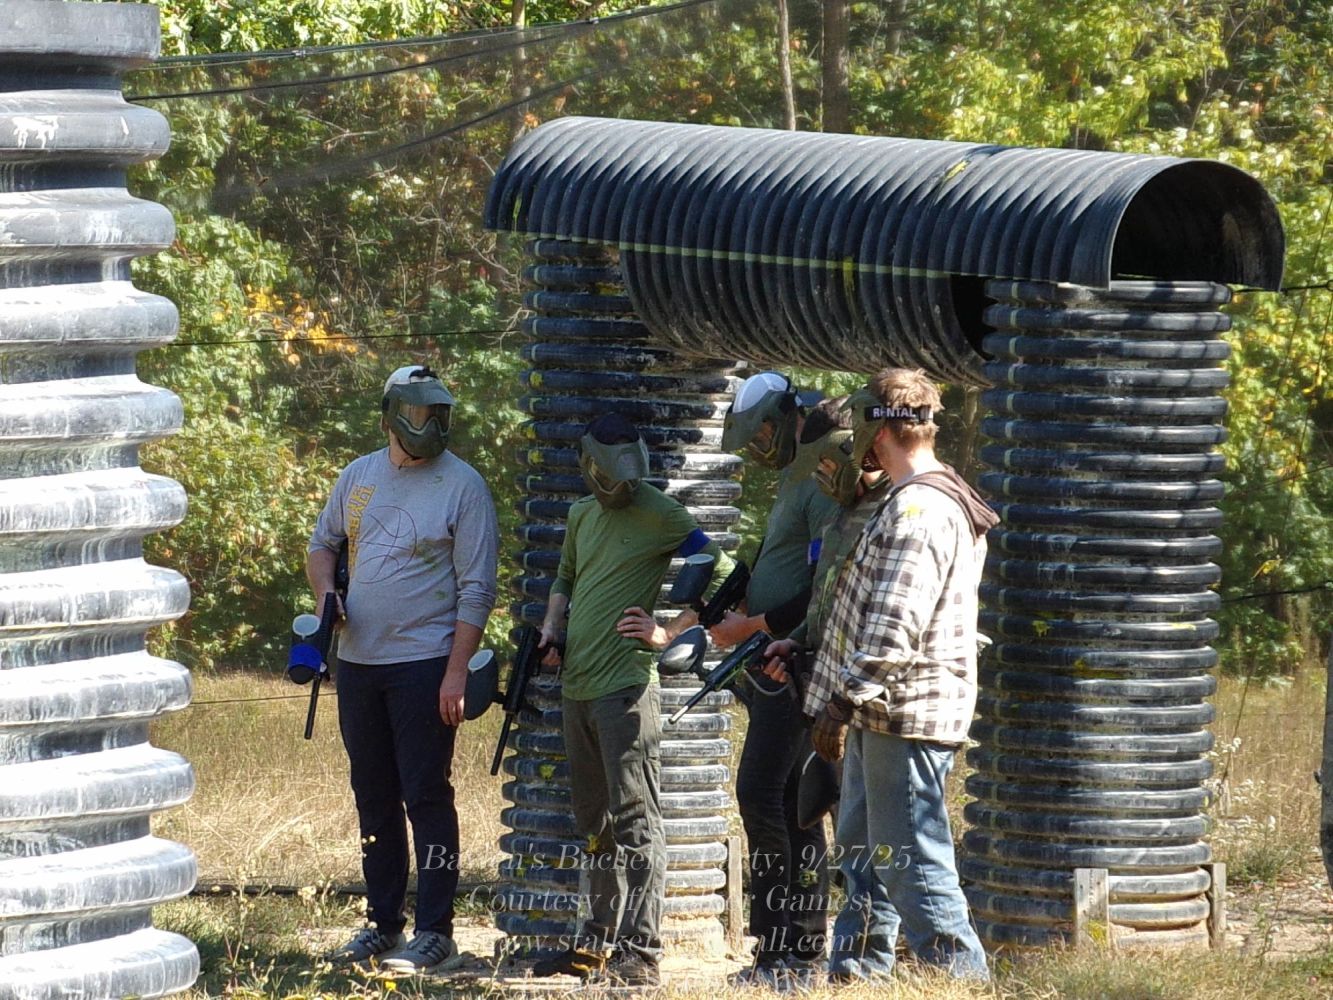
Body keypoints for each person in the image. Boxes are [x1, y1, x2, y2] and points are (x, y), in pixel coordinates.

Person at [803, 368, 996, 982]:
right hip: (885, 709)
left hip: (904, 710)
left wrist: (841, 703)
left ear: (877, 428)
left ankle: (960, 983)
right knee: (865, 856)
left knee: (911, 862)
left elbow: (893, 627)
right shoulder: (920, 497)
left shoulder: (919, 508)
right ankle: (856, 976)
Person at [308, 365, 499, 974]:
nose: (429, 424)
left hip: (425, 664)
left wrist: (455, 671)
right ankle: (382, 923)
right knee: (374, 796)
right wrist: (326, 597)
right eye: (418, 413)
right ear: (391, 414)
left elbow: (477, 588)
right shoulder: (358, 475)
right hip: (358, 663)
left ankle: (435, 931)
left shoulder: (463, 485)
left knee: (426, 795)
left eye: (438, 413)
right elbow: (322, 544)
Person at [533, 412, 735, 988]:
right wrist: (552, 627)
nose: (623, 487)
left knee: (637, 823)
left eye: (630, 476)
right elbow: (565, 578)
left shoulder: (661, 512)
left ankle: (641, 953)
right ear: (592, 468)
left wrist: (669, 632)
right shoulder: (581, 514)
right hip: (578, 688)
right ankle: (596, 945)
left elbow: (722, 570)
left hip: (626, 689)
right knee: (594, 824)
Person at [710, 372, 839, 986]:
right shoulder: (797, 475)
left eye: (763, 430)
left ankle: (783, 949)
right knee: (790, 803)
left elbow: (822, 586)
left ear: (789, 416)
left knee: (765, 795)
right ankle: (794, 950)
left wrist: (756, 624)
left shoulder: (820, 477)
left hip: (796, 662)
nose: (760, 444)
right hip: (775, 661)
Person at [761, 399, 896, 982]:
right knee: (842, 821)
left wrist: (846, 693)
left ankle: (884, 955)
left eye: (830, 463)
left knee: (878, 830)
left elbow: (886, 616)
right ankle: (845, 954)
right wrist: (792, 643)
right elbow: (824, 599)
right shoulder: (844, 515)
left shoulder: (889, 513)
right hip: (825, 682)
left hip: (866, 694)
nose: (823, 473)